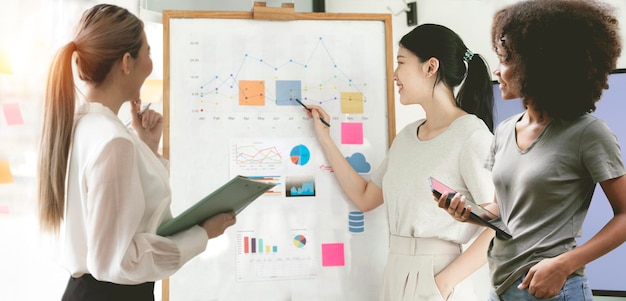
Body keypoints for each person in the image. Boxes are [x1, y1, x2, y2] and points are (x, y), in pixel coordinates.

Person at [37, 4, 236, 300]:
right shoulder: (113, 141)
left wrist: (146, 146)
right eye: (148, 53)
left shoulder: (80, 125)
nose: (150, 64)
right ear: (127, 62)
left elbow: (114, 228)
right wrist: (202, 235)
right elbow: (118, 260)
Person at [437, 0, 626, 300]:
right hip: (500, 287)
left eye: (506, 59)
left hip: (554, 290)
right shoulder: (504, 130)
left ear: (537, 64)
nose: (497, 70)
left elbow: (625, 215)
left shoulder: (588, 133)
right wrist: (469, 212)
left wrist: (565, 264)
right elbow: (504, 212)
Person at [304, 23, 496, 301]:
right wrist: (325, 139)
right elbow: (365, 197)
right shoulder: (407, 136)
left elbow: (501, 228)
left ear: (430, 67)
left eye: (401, 62)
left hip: (438, 277)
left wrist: (442, 284)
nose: (394, 75)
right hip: (395, 271)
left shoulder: (471, 135)